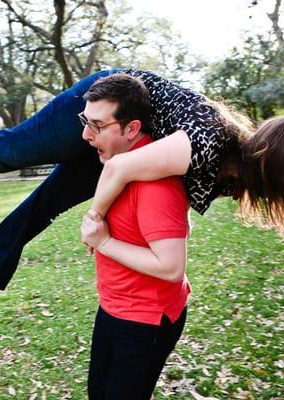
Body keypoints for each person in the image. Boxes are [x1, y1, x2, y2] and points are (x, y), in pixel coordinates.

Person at [0, 68, 284, 311]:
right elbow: (121, 168)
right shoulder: (206, 142)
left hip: (129, 139)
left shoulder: (232, 174)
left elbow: (157, 199)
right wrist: (97, 222)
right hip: (112, 108)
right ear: (271, 164)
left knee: (51, 200)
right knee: (6, 151)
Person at [79, 74, 190, 399]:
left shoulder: (154, 184)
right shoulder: (121, 165)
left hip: (144, 321)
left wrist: (104, 242)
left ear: (131, 128)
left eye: (98, 126)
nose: (86, 135)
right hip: (114, 307)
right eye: (86, 122)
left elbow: (172, 268)